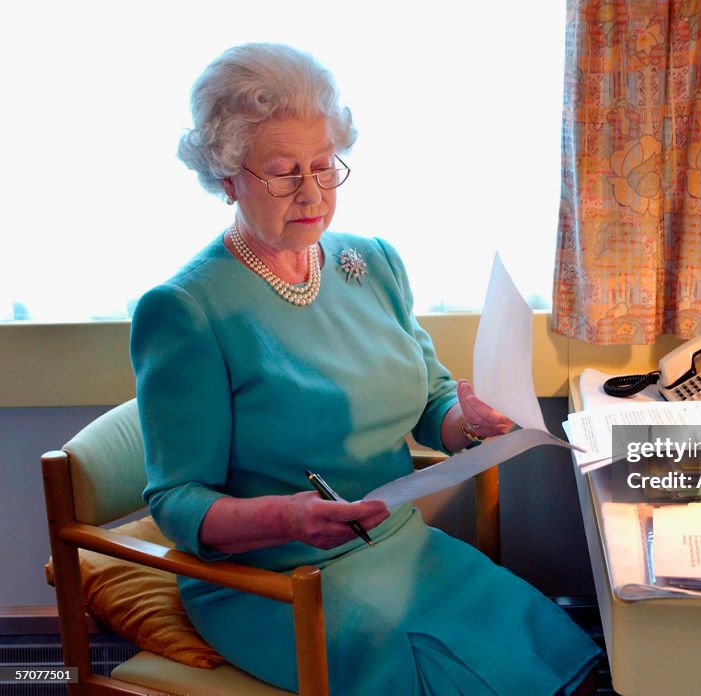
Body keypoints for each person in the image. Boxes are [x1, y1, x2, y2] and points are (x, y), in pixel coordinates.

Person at [130, 43, 601, 695]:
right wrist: (287, 519)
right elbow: (177, 501)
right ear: (228, 174)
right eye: (283, 170)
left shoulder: (371, 261)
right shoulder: (186, 310)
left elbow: (432, 401)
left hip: (402, 545)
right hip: (282, 576)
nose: (312, 191)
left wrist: (470, 419)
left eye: (324, 165)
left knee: (560, 660)